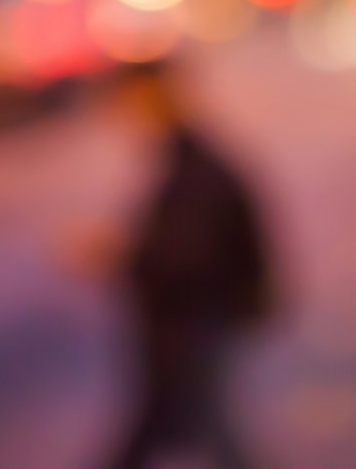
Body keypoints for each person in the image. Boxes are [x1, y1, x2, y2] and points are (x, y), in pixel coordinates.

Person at [91, 61, 274, 469]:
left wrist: (121, 255)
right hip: (187, 323)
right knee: (181, 428)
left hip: (194, 322)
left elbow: (190, 254)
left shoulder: (195, 166)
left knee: (204, 429)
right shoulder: (184, 157)